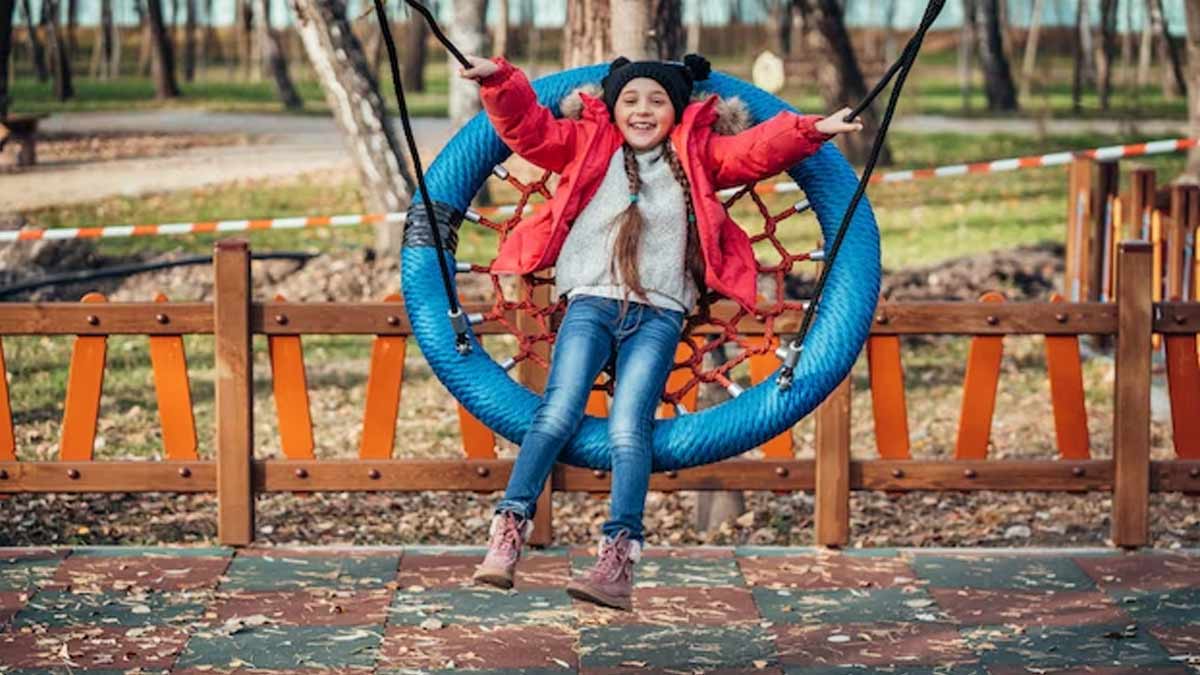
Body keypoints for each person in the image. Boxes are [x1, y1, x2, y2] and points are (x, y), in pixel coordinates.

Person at [459, 52, 863, 611]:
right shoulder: (585, 143)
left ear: (678, 110)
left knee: (630, 428)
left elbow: (757, 150)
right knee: (556, 412)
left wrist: (813, 129)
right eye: (630, 100)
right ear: (612, 107)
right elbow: (529, 130)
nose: (643, 110)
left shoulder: (698, 154)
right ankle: (509, 529)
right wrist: (501, 81)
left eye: (657, 101)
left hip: (659, 314)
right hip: (590, 303)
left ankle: (617, 559)